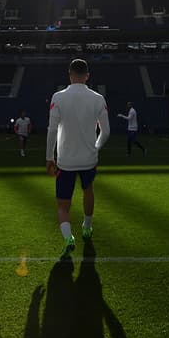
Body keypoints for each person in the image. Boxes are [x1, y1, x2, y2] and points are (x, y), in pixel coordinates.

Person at [46, 59, 111, 254]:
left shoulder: (58, 97)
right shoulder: (98, 98)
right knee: (88, 190)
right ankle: (87, 227)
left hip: (65, 160)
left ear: (70, 74)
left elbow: (51, 130)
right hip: (88, 159)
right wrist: (96, 148)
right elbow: (106, 131)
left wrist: (50, 157)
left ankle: (68, 238)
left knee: (63, 204)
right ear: (87, 75)